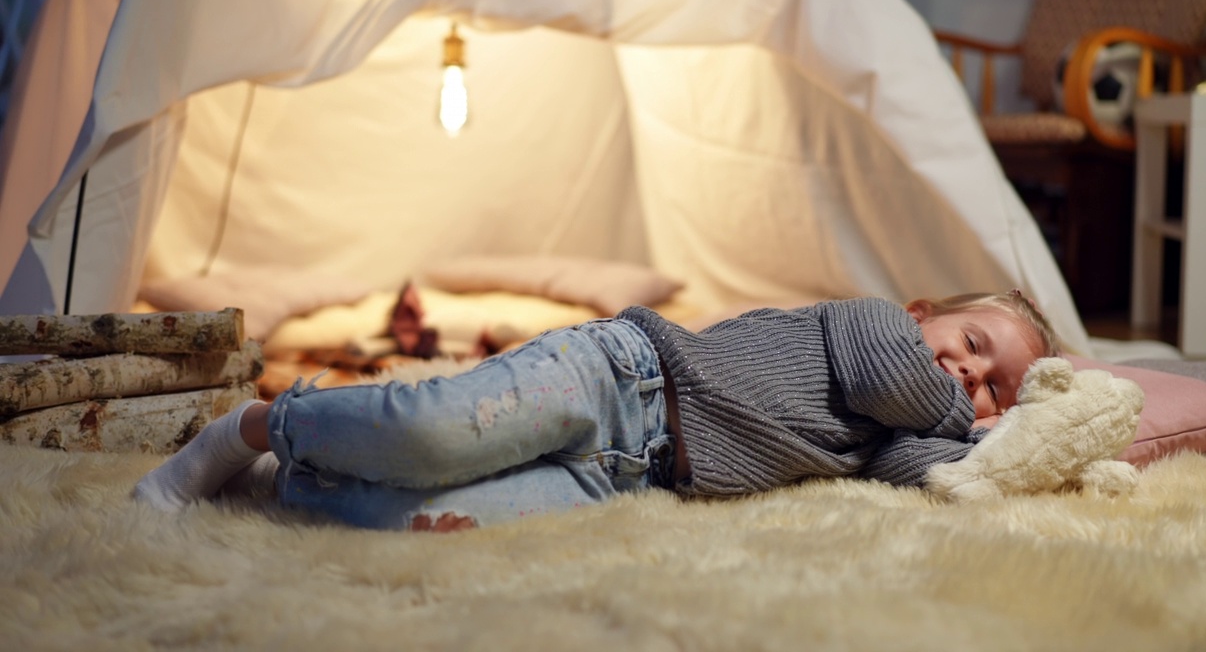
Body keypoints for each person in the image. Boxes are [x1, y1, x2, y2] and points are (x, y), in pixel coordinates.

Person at [133, 289, 1060, 531]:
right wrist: (961, 408)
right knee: (434, 431)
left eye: (993, 390)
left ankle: (282, 482)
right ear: (926, 316)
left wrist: (1016, 432)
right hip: (619, 376)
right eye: (975, 347)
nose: (969, 380)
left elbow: (931, 475)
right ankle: (253, 427)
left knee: (420, 516)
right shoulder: (872, 333)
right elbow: (901, 386)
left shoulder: (904, 434)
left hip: (629, 473)